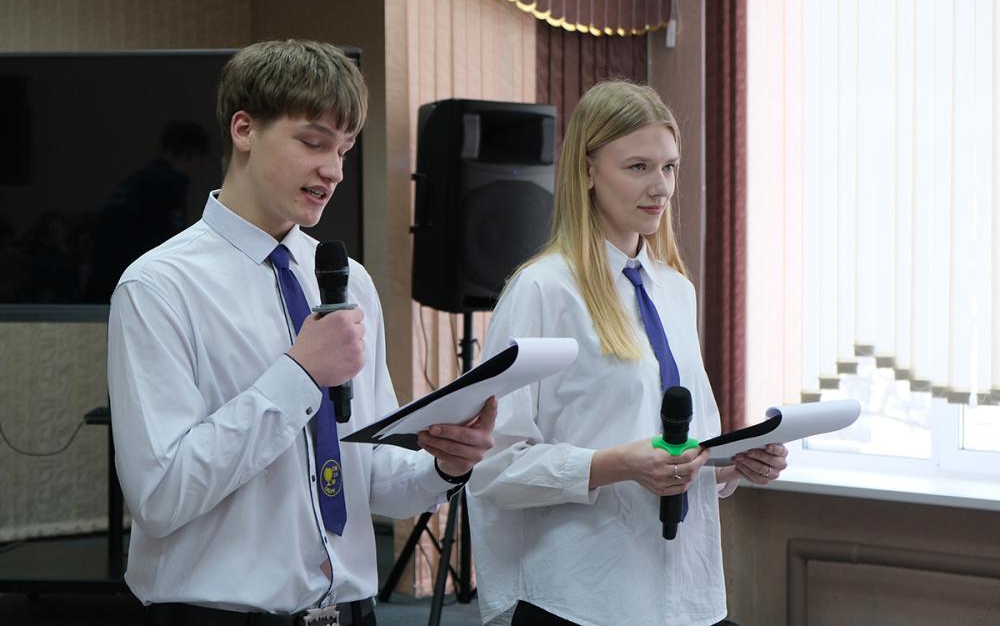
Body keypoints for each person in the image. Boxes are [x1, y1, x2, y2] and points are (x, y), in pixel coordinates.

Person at [108, 39, 497, 626]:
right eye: (314, 142)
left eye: (344, 149)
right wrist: (299, 374)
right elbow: (160, 496)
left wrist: (446, 466)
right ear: (244, 130)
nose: (333, 170)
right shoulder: (158, 286)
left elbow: (371, 477)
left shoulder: (349, 281)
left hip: (350, 613)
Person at [465, 80, 788, 626]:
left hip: (683, 593)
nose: (660, 187)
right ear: (587, 171)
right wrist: (613, 466)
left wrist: (733, 461)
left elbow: (680, 444)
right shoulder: (542, 290)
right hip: (583, 598)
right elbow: (493, 469)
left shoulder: (674, 290)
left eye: (669, 167)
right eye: (638, 167)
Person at [85, 119, 211, 303]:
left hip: (104, 283)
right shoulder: (169, 184)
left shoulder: (133, 182)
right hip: (137, 288)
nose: (198, 171)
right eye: (199, 163)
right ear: (190, 155)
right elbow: (169, 243)